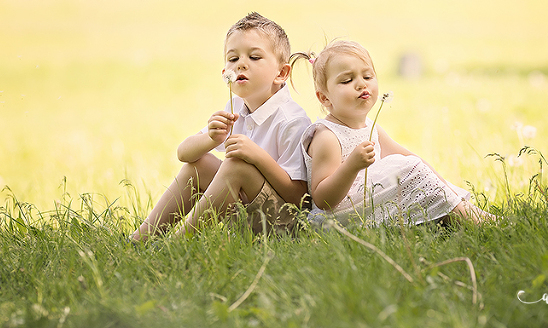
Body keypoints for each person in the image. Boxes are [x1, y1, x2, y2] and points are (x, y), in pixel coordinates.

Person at [131, 13, 311, 242]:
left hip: (284, 226)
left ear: (281, 73)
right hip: (248, 213)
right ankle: (141, 239)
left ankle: (176, 244)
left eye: (255, 57)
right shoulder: (236, 107)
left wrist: (257, 157)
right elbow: (183, 154)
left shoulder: (291, 120)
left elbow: (300, 199)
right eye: (233, 59)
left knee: (237, 165)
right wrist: (212, 139)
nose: (241, 64)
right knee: (201, 164)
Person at [293, 40, 494, 227]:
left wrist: (439, 183)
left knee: (412, 168)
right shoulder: (327, 136)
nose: (361, 84)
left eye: (368, 76)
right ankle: (472, 219)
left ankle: (464, 213)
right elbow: (323, 200)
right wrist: (351, 166)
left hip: (363, 205)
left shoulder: (370, 127)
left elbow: (411, 159)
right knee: (406, 169)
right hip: (335, 221)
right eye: (347, 80)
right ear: (325, 98)